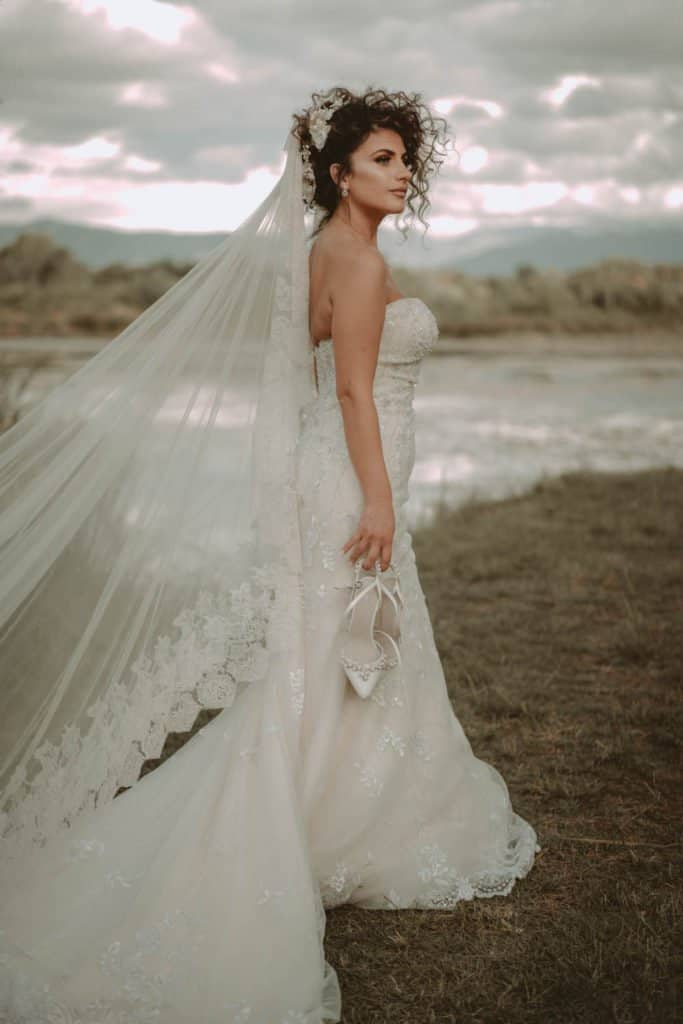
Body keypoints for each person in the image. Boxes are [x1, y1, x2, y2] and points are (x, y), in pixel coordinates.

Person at [0, 85, 540, 1023]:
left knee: (327, 653)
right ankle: (313, 827)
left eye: (405, 158)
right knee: (342, 646)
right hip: (350, 478)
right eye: (380, 158)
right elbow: (354, 396)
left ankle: (329, 816)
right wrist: (375, 498)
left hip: (322, 477)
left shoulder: (313, 254)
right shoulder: (359, 264)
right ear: (336, 173)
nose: (400, 171)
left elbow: (314, 384)